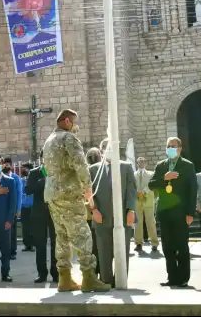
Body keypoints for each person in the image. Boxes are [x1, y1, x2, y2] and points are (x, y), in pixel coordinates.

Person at [42, 109, 111, 293]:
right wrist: (88, 191)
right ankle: (89, 278)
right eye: (74, 122)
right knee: (82, 234)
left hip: (52, 194)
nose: (76, 126)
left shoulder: (48, 140)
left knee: (62, 235)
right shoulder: (69, 138)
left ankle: (64, 279)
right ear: (66, 121)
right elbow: (80, 165)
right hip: (69, 194)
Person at [149, 136, 197, 288]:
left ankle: (183, 278)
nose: (170, 148)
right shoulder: (161, 165)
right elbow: (151, 185)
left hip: (181, 212)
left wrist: (190, 213)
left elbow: (192, 190)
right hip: (164, 212)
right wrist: (164, 178)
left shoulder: (187, 166)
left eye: (173, 146)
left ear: (180, 148)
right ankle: (172, 277)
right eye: (168, 146)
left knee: (181, 245)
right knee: (167, 247)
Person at [88, 138, 136, 286]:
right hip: (101, 217)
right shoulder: (93, 169)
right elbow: (89, 192)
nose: (108, 150)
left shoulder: (126, 167)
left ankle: (121, 281)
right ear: (101, 151)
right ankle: (106, 281)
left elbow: (131, 191)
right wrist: (94, 210)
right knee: (104, 253)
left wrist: (131, 210)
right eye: (105, 147)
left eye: (112, 147)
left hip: (122, 217)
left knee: (122, 251)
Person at [25, 155, 58, 283]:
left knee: (56, 244)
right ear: (41, 158)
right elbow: (28, 189)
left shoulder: (56, 171)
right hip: (39, 214)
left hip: (55, 212)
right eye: (45, 156)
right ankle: (42, 273)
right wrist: (42, 182)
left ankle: (56, 273)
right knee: (40, 245)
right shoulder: (34, 173)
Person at [135, 157, 159, 253]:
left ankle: (154, 243)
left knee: (151, 222)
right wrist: (138, 192)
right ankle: (138, 243)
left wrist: (144, 191)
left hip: (148, 200)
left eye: (143, 161)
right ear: (137, 163)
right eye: (139, 161)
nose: (141, 163)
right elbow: (132, 185)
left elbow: (152, 185)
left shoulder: (151, 174)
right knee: (138, 223)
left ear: (146, 163)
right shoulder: (133, 175)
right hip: (137, 201)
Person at [86, 147, 102, 277]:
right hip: (96, 213)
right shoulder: (101, 170)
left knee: (92, 246)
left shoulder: (86, 171)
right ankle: (97, 271)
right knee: (97, 246)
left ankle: (94, 272)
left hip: (91, 214)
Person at [3, 157, 23, 260]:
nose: (6, 166)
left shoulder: (16, 178)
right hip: (1, 209)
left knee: (11, 232)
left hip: (12, 209)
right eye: (4, 164)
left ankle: (12, 252)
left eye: (8, 164)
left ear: (11, 165)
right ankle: (4, 252)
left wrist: (18, 209)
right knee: (3, 232)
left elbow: (19, 194)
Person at [20, 164, 35, 252]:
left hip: (33, 206)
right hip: (24, 206)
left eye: (25, 169)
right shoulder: (21, 180)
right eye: (23, 169)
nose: (24, 170)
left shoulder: (34, 180)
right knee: (25, 227)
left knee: (33, 226)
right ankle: (27, 245)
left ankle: (32, 244)